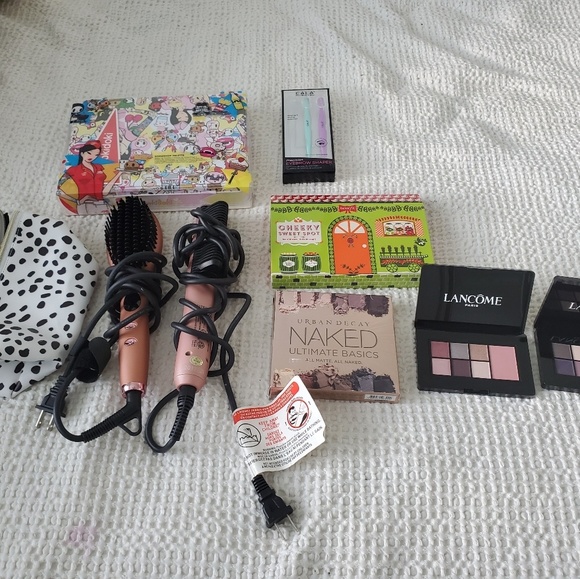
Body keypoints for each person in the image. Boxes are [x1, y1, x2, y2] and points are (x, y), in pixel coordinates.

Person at [58, 140, 121, 211]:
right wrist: (77, 201)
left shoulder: (99, 167)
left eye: (96, 155)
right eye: (89, 153)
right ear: (82, 153)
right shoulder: (73, 170)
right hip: (84, 205)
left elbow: (104, 190)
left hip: (102, 203)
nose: (92, 157)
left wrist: (119, 174)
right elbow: (59, 190)